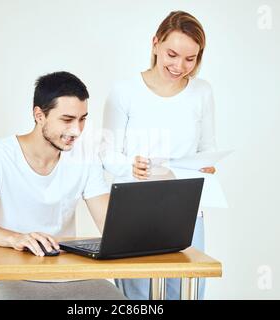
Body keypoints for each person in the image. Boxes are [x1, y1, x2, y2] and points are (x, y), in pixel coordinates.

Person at [0, 71, 126, 300]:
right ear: (39, 115)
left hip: (71, 276)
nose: (77, 130)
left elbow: (111, 226)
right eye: (67, 120)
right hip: (10, 278)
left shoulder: (85, 157)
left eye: (82, 119)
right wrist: (16, 238)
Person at [100, 11, 217, 300]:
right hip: (134, 205)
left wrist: (208, 165)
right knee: (136, 296)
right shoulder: (124, 91)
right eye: (172, 54)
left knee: (186, 290)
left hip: (187, 206)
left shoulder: (202, 92)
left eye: (191, 59)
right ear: (155, 44)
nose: (179, 66)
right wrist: (131, 165)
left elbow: (207, 148)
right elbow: (106, 152)